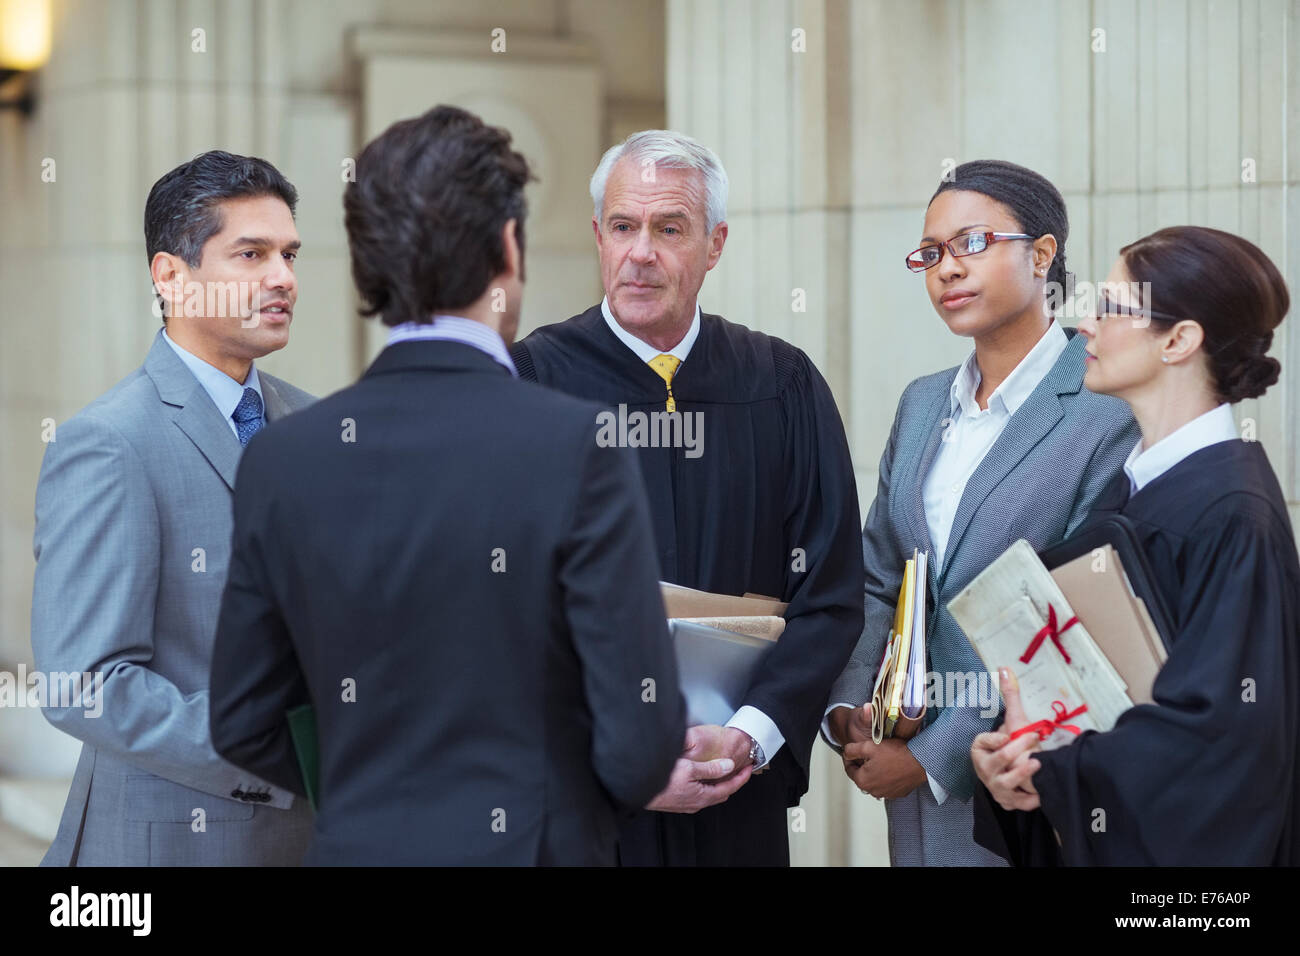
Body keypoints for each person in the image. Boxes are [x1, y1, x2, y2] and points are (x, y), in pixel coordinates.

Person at [207, 105, 688, 866]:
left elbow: (240, 718)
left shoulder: (282, 459)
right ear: (508, 247)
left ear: (368, 266)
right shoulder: (580, 447)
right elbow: (640, 745)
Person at [511, 129, 865, 867]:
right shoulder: (529, 383)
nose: (641, 252)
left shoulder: (781, 384)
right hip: (582, 805)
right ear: (599, 238)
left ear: (715, 243)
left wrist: (753, 733)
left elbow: (829, 596)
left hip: (735, 793)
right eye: (623, 227)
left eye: (669, 229)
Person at [822, 160, 1139, 866]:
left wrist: (937, 756)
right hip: (897, 762)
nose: (945, 270)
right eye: (930, 253)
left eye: (971, 244)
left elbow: (1066, 617)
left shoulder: (1102, 411)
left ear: (1043, 254)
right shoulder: (922, 401)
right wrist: (852, 712)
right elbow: (882, 574)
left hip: (1021, 776)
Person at [971, 225, 1299, 866]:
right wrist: (1012, 753)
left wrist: (1055, 768)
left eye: (1114, 307)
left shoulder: (1234, 514)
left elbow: (1222, 745)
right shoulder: (1137, 487)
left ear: (1179, 340)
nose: (1085, 325)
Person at [31, 150, 317, 866]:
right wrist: (278, 748)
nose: (282, 277)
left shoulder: (315, 427)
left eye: (288, 253)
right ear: (170, 276)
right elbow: (83, 685)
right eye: (250, 254)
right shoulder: (110, 443)